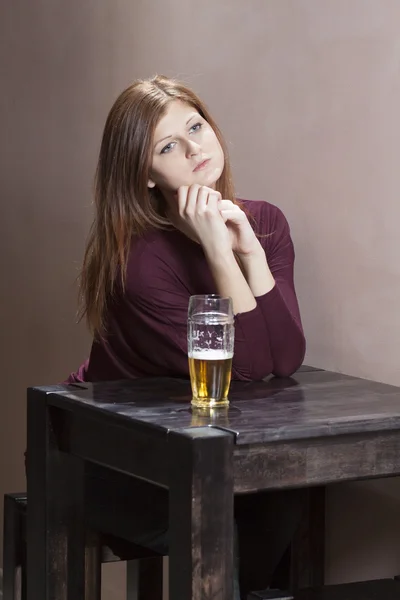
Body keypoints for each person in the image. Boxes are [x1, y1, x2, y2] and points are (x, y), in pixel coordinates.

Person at [68, 75, 306, 599]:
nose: (196, 148)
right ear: (145, 174)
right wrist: (220, 252)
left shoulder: (262, 221)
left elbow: (283, 359)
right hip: (120, 460)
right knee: (238, 507)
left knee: (288, 487)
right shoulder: (139, 262)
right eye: (169, 145)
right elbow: (245, 370)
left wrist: (251, 252)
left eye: (196, 126)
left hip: (210, 449)